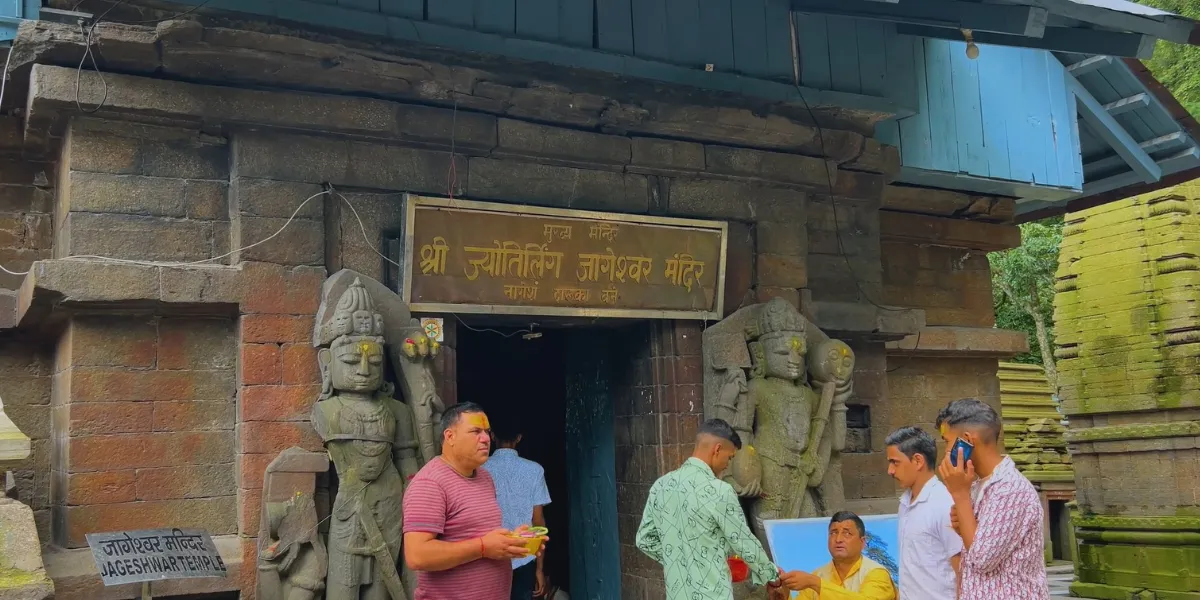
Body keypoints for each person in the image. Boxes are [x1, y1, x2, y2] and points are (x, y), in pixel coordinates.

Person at [636, 418, 786, 600]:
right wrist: (773, 576)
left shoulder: (661, 486)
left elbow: (644, 540)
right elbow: (744, 543)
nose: (727, 465)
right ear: (717, 449)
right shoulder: (720, 491)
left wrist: (679, 558)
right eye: (729, 458)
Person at [403, 402, 536, 599]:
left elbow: (478, 535)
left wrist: (512, 541)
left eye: (487, 432)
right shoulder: (430, 483)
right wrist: (483, 547)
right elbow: (417, 555)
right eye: (475, 431)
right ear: (450, 436)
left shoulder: (484, 477)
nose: (486, 438)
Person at [936, 397, 1050, 600]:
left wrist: (960, 496)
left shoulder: (1009, 489)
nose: (946, 451)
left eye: (947, 442)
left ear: (968, 441)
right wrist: (963, 521)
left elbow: (982, 559)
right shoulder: (976, 485)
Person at [884, 427, 962, 600]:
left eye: (895, 462)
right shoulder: (904, 503)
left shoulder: (944, 504)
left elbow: (962, 572)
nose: (890, 471)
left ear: (918, 461)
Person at [483, 419, 553, 600]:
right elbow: (538, 522)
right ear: (519, 438)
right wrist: (539, 569)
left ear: (492, 436)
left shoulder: (480, 469)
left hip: (490, 556)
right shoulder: (535, 470)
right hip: (524, 555)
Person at [783, 512, 897, 600]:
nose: (838, 539)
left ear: (862, 542)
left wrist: (816, 583)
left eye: (847, 533)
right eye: (833, 533)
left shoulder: (876, 573)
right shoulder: (818, 574)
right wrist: (783, 594)